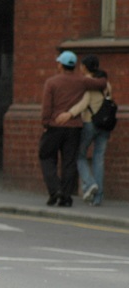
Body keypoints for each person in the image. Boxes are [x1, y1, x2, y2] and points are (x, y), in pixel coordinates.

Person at [39, 50, 106, 207]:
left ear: (61, 65)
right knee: (69, 162)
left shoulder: (52, 82)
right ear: (74, 66)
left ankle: (55, 190)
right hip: (74, 128)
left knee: (46, 157)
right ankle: (66, 196)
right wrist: (102, 74)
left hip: (55, 126)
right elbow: (101, 83)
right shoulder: (82, 81)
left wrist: (45, 123)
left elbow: (46, 106)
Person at [55, 55, 111, 206]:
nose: (80, 68)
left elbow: (83, 103)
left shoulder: (88, 84)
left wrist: (69, 114)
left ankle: (90, 183)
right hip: (105, 125)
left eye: (81, 66)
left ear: (85, 67)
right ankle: (98, 197)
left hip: (90, 123)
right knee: (99, 159)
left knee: (79, 156)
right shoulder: (106, 83)